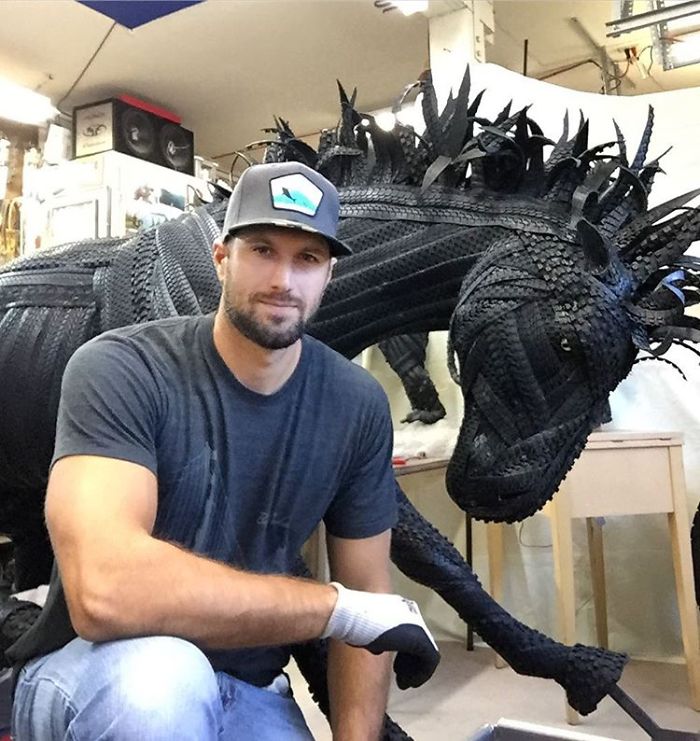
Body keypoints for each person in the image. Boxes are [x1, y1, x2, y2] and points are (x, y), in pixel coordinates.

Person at [9, 161, 440, 740]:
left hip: (249, 688)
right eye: (262, 250)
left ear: (328, 274)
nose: (283, 279)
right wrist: (338, 610)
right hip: (99, 669)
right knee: (165, 677)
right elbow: (105, 591)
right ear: (221, 257)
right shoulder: (120, 367)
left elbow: (368, 598)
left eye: (307, 258)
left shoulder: (356, 404)